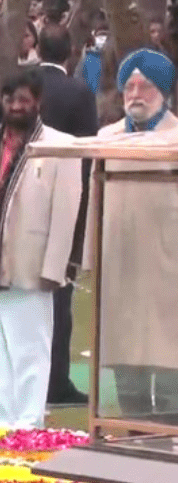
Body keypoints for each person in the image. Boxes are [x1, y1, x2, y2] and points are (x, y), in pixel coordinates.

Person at [0, 68, 82, 428]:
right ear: (1, 101)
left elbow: (67, 209)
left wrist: (56, 267)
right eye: (10, 99)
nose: (16, 106)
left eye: (24, 100)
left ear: (37, 102)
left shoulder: (61, 144)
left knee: (31, 350)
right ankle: (3, 420)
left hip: (32, 265)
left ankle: (30, 424)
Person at [93, 49, 178, 421]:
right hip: (121, 268)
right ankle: (133, 435)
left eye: (144, 86)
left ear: (163, 91)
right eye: (129, 86)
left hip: (169, 270)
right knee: (125, 355)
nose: (135, 94)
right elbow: (95, 202)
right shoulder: (106, 138)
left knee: (170, 353)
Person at [35, 24, 98, 407]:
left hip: (24, 198)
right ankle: (55, 379)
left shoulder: (21, 87)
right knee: (60, 291)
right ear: (69, 52)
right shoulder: (78, 92)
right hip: (64, 199)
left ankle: (35, 375)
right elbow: (86, 154)